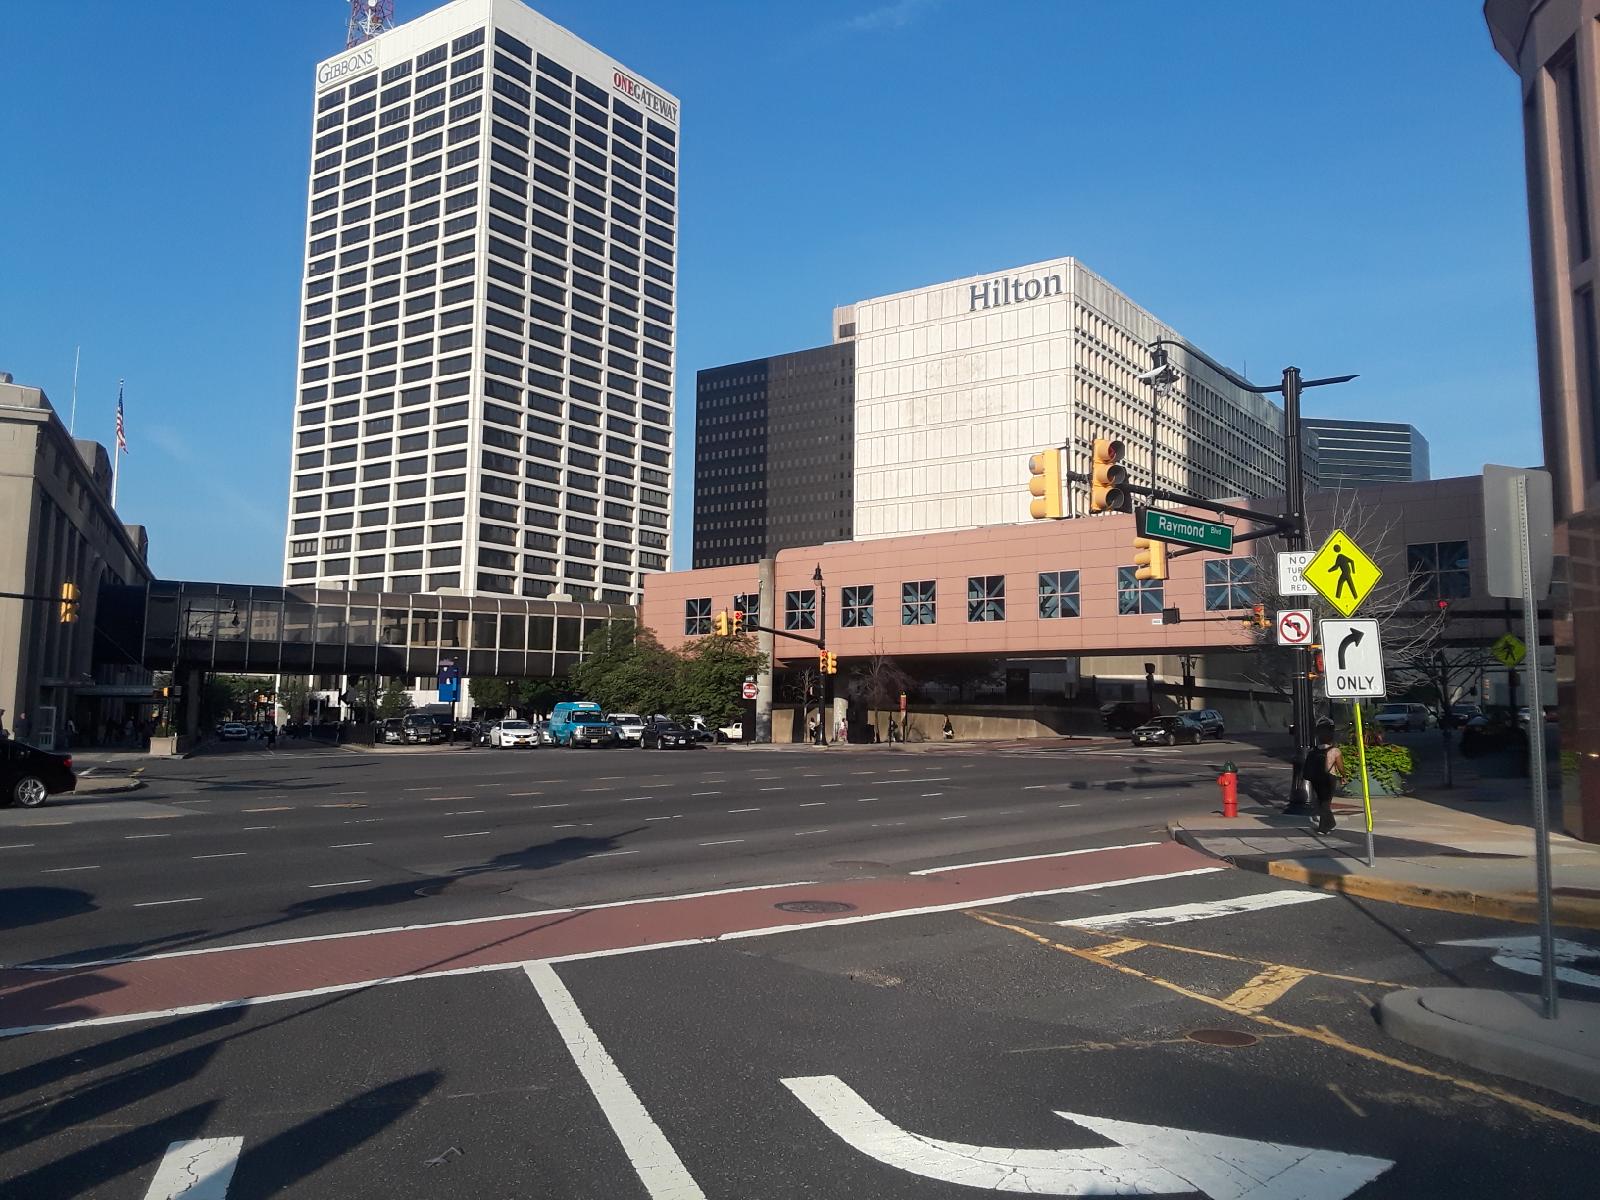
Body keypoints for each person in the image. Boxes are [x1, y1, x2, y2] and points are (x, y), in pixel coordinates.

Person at [1304, 720, 1345, 835]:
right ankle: (1324, 828)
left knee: (1322, 802)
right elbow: (1340, 767)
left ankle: (1330, 823)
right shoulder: (1335, 751)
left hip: (1316, 779)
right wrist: (1344, 775)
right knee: (1325, 803)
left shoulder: (1314, 750)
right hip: (1329, 778)